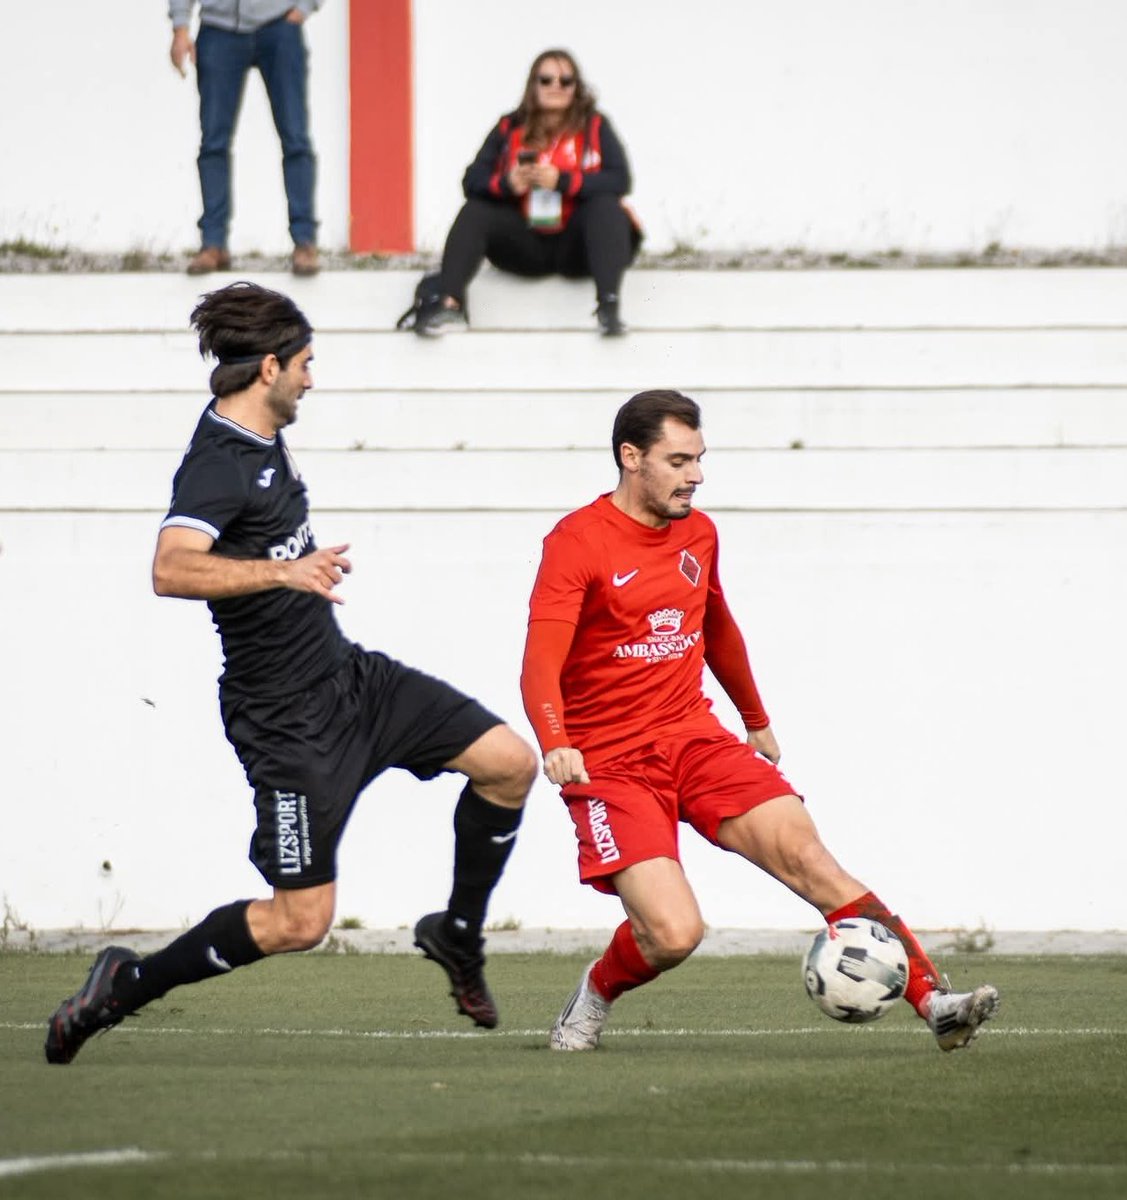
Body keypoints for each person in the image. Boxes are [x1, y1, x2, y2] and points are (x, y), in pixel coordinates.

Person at [45, 282, 537, 1065]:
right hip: (285, 721)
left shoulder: (264, 435)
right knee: (299, 923)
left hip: (350, 680)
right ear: (269, 367)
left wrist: (294, 574)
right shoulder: (219, 462)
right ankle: (125, 984)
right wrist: (284, 574)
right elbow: (170, 570)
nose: (314, 378)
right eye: (306, 364)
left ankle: (458, 933)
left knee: (510, 763)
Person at [520, 389, 1000, 1053]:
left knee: (810, 858)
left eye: (699, 459)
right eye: (679, 460)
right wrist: (555, 743)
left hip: (693, 737)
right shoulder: (575, 542)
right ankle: (597, 991)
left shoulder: (699, 532)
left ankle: (934, 1003)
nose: (696, 475)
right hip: (609, 761)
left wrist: (754, 718)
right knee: (672, 933)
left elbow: (716, 627)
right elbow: (538, 663)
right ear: (631, 458)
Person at [404, 48, 640, 339]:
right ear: (533, 85)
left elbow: (619, 180)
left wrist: (564, 181)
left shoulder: (595, 125)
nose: (556, 87)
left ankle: (608, 305)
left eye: (566, 81)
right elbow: (472, 180)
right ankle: (449, 302)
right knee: (477, 209)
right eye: (546, 79)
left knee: (606, 206)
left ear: (576, 88)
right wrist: (508, 184)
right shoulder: (509, 126)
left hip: (577, 246)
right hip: (525, 243)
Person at [169, 2, 322, 277]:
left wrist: (305, 6)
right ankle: (213, 244)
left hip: (279, 26)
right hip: (219, 30)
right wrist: (180, 27)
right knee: (213, 143)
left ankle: (305, 242)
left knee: (295, 139)